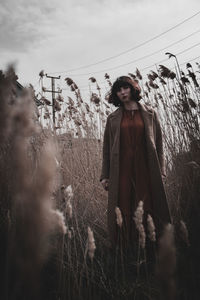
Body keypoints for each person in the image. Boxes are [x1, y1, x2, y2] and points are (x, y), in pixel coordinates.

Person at [100, 76, 171, 247]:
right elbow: (107, 149)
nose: (122, 92)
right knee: (123, 202)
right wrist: (105, 175)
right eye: (118, 90)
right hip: (121, 168)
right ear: (116, 94)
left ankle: (150, 244)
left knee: (146, 202)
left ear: (132, 89)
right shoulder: (113, 118)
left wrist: (161, 169)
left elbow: (159, 144)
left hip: (145, 167)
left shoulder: (150, 114)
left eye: (125, 88)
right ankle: (125, 246)